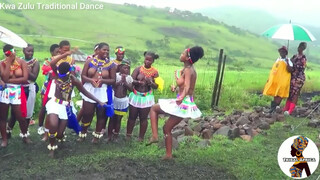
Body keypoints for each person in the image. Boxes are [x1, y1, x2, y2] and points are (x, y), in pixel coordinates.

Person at [147, 46, 203, 160]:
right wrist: (176, 88)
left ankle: (154, 136)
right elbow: (184, 86)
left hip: (184, 103)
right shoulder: (187, 69)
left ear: (187, 58)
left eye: (183, 53)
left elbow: (187, 86)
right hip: (182, 100)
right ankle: (168, 155)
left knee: (154, 109)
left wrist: (182, 96)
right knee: (167, 128)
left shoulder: (188, 70)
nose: (180, 55)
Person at [46, 52, 105, 157]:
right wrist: (64, 54)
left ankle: (59, 137)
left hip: (65, 107)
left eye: (65, 73)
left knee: (59, 134)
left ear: (69, 73)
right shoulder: (57, 75)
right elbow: (52, 63)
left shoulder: (74, 81)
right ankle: (51, 147)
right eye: (60, 72)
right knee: (53, 125)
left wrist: (98, 101)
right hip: (54, 104)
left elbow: (85, 92)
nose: (62, 75)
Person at [78, 42, 116, 143]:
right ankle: (83, 134)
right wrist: (91, 80)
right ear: (98, 50)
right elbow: (83, 76)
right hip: (90, 90)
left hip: (103, 92)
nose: (106, 52)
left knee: (101, 115)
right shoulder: (89, 61)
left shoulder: (111, 65)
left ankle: (96, 137)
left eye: (108, 50)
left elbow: (113, 80)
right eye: (104, 49)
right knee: (87, 113)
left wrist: (102, 81)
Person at [126, 51, 163, 141]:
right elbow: (130, 80)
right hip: (136, 96)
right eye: (146, 59)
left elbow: (156, 86)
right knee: (132, 117)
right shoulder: (138, 69)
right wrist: (138, 82)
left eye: (150, 60)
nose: (147, 62)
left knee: (143, 118)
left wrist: (150, 83)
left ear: (153, 61)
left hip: (146, 97)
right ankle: (128, 135)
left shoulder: (155, 72)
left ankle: (141, 137)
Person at [0, 44, 32, 147]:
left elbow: (25, 78)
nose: (10, 55)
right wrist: (8, 62)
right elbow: (3, 78)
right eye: (7, 54)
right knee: (3, 117)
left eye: (11, 52)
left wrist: (9, 80)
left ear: (14, 51)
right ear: (5, 54)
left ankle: (25, 135)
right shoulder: (2, 63)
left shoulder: (22, 62)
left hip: (17, 90)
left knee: (20, 116)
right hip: (5, 91)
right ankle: (4, 140)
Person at [7, 44, 40, 136]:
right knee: (14, 111)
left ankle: (24, 131)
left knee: (28, 112)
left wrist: (26, 70)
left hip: (29, 88)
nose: (31, 53)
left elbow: (34, 77)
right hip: (18, 88)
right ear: (23, 51)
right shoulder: (19, 61)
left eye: (32, 51)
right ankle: (8, 130)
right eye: (28, 51)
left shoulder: (35, 62)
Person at [107, 59, 133, 142]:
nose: (126, 70)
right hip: (115, 100)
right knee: (112, 119)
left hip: (123, 101)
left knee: (118, 119)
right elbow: (113, 86)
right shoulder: (116, 76)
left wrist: (125, 82)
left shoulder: (129, 78)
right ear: (120, 68)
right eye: (125, 68)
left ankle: (116, 136)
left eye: (128, 69)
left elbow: (131, 89)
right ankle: (109, 136)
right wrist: (120, 81)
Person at [37, 44, 59, 136]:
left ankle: (52, 127)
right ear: (52, 52)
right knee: (44, 107)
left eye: (60, 52)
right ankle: (40, 126)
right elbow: (49, 74)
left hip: (58, 88)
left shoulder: (62, 61)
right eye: (57, 52)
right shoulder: (47, 62)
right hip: (48, 87)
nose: (59, 54)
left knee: (55, 108)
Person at [263, 46, 292, 113]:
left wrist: (287, 62)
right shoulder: (278, 60)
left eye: (283, 51)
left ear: (286, 53)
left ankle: (273, 108)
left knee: (280, 94)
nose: (282, 53)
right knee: (275, 94)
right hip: (276, 80)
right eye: (281, 51)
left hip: (283, 80)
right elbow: (274, 70)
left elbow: (290, 70)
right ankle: (273, 109)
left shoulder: (288, 60)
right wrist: (269, 79)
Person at [283, 42, 308, 115]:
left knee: (295, 93)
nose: (299, 48)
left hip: (299, 78)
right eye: (299, 47)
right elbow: (289, 64)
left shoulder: (303, 58)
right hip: (292, 77)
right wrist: (288, 61)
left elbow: (301, 68)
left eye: (301, 47)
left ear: (303, 49)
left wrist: (292, 66)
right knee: (290, 93)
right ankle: (286, 108)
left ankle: (290, 110)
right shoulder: (294, 56)